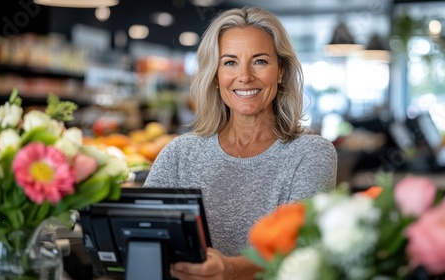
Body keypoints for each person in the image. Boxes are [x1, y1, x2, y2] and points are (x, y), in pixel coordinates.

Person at [144, 6, 338, 279]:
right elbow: (144, 232)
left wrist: (230, 269)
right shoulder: (180, 152)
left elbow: (300, 252)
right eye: (230, 62)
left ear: (280, 71)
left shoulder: (311, 154)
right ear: (215, 74)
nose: (245, 76)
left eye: (260, 61)